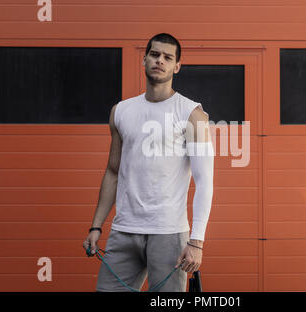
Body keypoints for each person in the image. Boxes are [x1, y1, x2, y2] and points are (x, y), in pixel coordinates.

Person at [82, 32, 215, 292]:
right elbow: (112, 171)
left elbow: (205, 182)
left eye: (168, 57)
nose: (159, 61)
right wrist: (96, 225)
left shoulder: (192, 115)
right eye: (154, 54)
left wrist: (196, 242)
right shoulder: (121, 111)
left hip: (168, 233)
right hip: (124, 230)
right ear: (144, 60)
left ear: (177, 66)